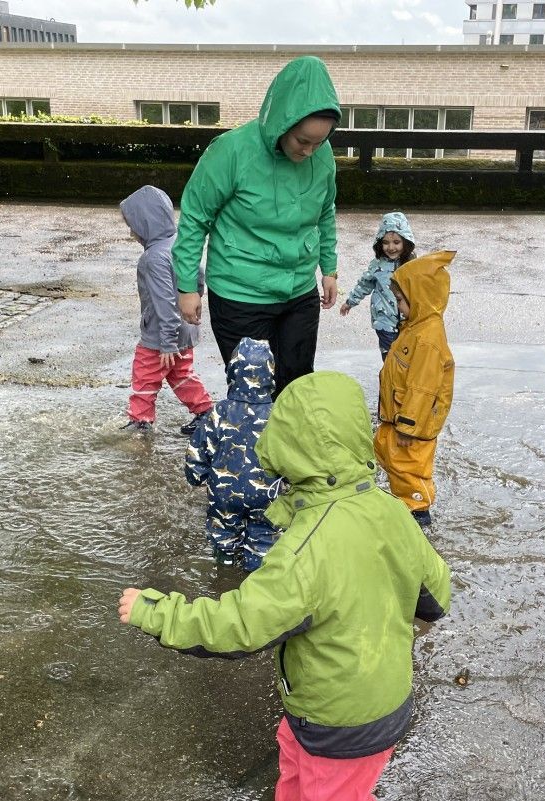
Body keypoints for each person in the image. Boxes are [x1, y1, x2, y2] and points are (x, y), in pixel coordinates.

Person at [118, 370, 451, 801]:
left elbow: (240, 625)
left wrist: (157, 612)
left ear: (285, 446)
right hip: (372, 701)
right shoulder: (392, 511)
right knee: (296, 772)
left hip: (338, 724)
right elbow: (435, 597)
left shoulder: (305, 551)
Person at [172, 55, 341, 399]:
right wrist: (187, 286)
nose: (310, 151)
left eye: (319, 142)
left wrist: (329, 268)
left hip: (298, 292)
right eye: (302, 140)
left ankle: (288, 437)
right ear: (282, 123)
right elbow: (195, 217)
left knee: (296, 388)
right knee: (252, 393)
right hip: (241, 293)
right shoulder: (231, 151)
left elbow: (325, 211)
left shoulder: (322, 156)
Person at [185, 337, 285, 570]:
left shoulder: (219, 412)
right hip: (267, 494)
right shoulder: (279, 414)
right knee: (265, 537)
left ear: (232, 372)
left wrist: (196, 477)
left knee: (224, 535)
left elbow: (198, 451)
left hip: (224, 494)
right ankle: (255, 574)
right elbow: (291, 454)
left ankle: (225, 571)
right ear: (270, 374)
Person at [120, 184, 212, 435]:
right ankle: (205, 411)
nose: (132, 232)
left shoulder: (152, 259)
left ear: (145, 224)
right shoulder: (179, 244)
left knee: (145, 374)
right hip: (186, 328)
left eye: (133, 225)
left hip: (160, 336)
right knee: (181, 374)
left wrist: (167, 342)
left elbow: (164, 302)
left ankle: (140, 421)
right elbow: (198, 277)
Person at [374, 251, 456, 530]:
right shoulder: (414, 327)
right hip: (399, 417)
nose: (397, 306)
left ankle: (418, 517)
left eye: (400, 300)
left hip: (411, 423)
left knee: (409, 469)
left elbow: (423, 388)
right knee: (391, 458)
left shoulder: (428, 338)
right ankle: (403, 505)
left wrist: (408, 425)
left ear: (420, 297)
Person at [340, 211, 416, 360]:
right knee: (389, 357)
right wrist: (350, 302)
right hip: (384, 320)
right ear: (380, 242)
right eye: (386, 242)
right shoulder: (377, 265)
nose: (391, 247)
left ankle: (403, 375)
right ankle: (388, 374)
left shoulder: (412, 264)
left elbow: (423, 287)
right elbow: (364, 284)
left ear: (405, 242)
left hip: (407, 320)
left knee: (406, 356)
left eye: (396, 242)